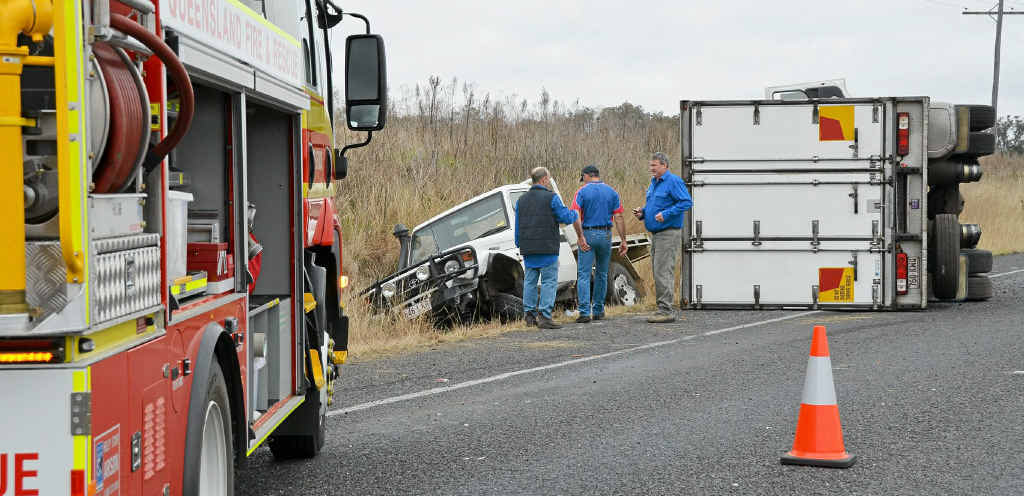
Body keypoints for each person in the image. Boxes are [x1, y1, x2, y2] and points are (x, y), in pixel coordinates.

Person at [515, 167, 585, 329]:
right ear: (544, 179)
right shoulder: (551, 198)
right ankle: (545, 316)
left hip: (528, 248)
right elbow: (565, 217)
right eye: (548, 179)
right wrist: (575, 213)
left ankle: (530, 316)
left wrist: (520, 243)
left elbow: (518, 226)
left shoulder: (521, 200)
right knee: (548, 281)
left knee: (530, 282)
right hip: (547, 247)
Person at [632, 152, 692, 323]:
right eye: (650, 165)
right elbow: (654, 205)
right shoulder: (654, 183)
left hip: (668, 233)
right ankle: (662, 308)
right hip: (656, 234)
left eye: (655, 165)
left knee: (663, 271)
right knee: (658, 271)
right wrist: (643, 213)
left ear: (665, 165)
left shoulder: (673, 181)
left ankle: (666, 310)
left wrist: (666, 214)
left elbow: (686, 202)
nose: (651, 169)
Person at [570, 164, 628, 323]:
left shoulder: (581, 192)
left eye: (583, 179)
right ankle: (598, 310)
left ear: (586, 176)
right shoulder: (612, 192)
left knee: (583, 274)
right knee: (602, 274)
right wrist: (623, 240)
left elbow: (575, 214)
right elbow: (619, 217)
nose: (583, 182)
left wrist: (580, 236)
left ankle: (583, 312)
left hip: (588, 233)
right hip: (606, 235)